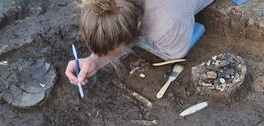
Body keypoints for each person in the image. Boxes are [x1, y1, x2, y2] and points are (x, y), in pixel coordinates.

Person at [65, 0, 212, 86]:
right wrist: (94, 60)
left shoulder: (167, 24)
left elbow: (176, 53)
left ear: (138, 26)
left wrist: (100, 59)